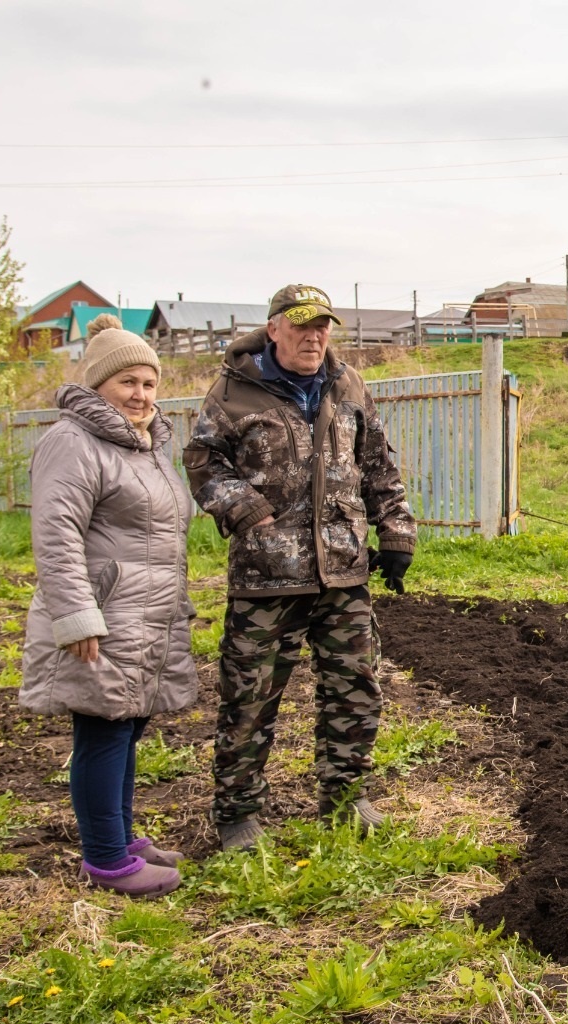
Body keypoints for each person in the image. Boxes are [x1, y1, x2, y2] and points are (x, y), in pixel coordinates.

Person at [185, 284, 417, 851]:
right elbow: (203, 462)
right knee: (250, 696)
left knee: (354, 686)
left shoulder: (348, 384)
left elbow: (377, 464)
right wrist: (247, 511)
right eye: (302, 326)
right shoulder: (233, 390)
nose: (314, 337)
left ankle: (346, 795)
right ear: (274, 330)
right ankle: (237, 811)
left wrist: (395, 532)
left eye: (322, 327)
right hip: (266, 575)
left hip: (342, 568)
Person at [20, 315, 199, 898]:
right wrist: (75, 616)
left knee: (126, 726)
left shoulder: (144, 445)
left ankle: (120, 839)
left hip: (146, 614)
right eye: (127, 382)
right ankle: (105, 859)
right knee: (102, 731)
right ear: (98, 384)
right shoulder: (73, 442)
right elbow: (56, 535)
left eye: (149, 383)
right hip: (103, 615)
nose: (141, 394)